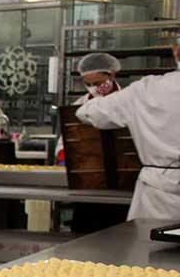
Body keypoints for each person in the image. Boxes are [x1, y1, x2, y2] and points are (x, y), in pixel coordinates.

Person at [76, 36, 180, 220]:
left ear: (176, 52)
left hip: (159, 197)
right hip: (157, 191)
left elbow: (86, 113)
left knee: (152, 245)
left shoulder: (146, 90)